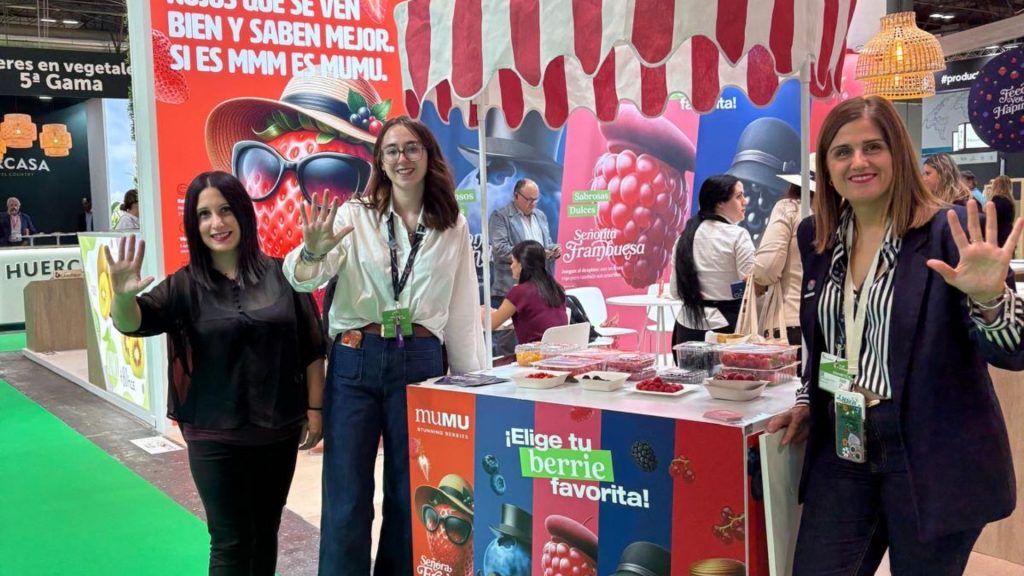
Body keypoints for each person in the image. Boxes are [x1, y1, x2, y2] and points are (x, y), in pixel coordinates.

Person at [766, 95, 1024, 575]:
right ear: (827, 168)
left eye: (873, 147)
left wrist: (990, 299)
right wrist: (807, 398)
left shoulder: (948, 232)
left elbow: (1013, 352)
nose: (858, 162)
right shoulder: (816, 236)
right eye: (842, 152)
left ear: (898, 155)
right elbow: (824, 341)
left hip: (930, 451)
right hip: (844, 441)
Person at [283, 115, 485, 576]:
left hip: (422, 360)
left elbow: (460, 309)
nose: (402, 158)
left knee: (410, 490)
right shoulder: (354, 216)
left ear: (429, 155)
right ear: (380, 161)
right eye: (391, 150)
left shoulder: (451, 224)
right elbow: (301, 277)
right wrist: (312, 250)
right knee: (346, 494)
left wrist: (470, 380)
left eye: (411, 148)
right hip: (357, 357)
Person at [106, 171, 326, 576]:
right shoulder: (183, 285)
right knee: (230, 539)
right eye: (204, 214)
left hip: (277, 429)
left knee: (266, 530)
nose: (216, 223)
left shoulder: (282, 274)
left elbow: (311, 346)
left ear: (242, 213)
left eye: (225, 210)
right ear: (194, 224)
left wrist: (315, 409)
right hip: (213, 435)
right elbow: (134, 322)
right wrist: (122, 298)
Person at [669, 175, 755, 349]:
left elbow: (675, 292)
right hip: (724, 329)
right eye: (738, 196)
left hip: (686, 327)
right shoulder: (737, 235)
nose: (745, 201)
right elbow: (752, 284)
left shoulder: (684, 237)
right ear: (720, 203)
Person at [752, 161, 815, 346]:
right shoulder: (844, 216)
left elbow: (767, 268)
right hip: (836, 327)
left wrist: (757, 280)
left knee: (792, 367)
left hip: (791, 321)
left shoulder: (789, 208)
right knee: (830, 367)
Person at [488, 240, 568, 343]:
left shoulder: (519, 292)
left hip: (535, 351)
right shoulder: (556, 288)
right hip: (561, 348)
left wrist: (480, 312)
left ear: (521, 265)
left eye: (513, 262)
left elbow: (491, 323)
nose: (511, 266)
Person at [988, 175, 1016, 246]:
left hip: (997, 239)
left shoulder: (996, 201)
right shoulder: (1010, 202)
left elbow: (991, 222)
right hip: (1008, 237)